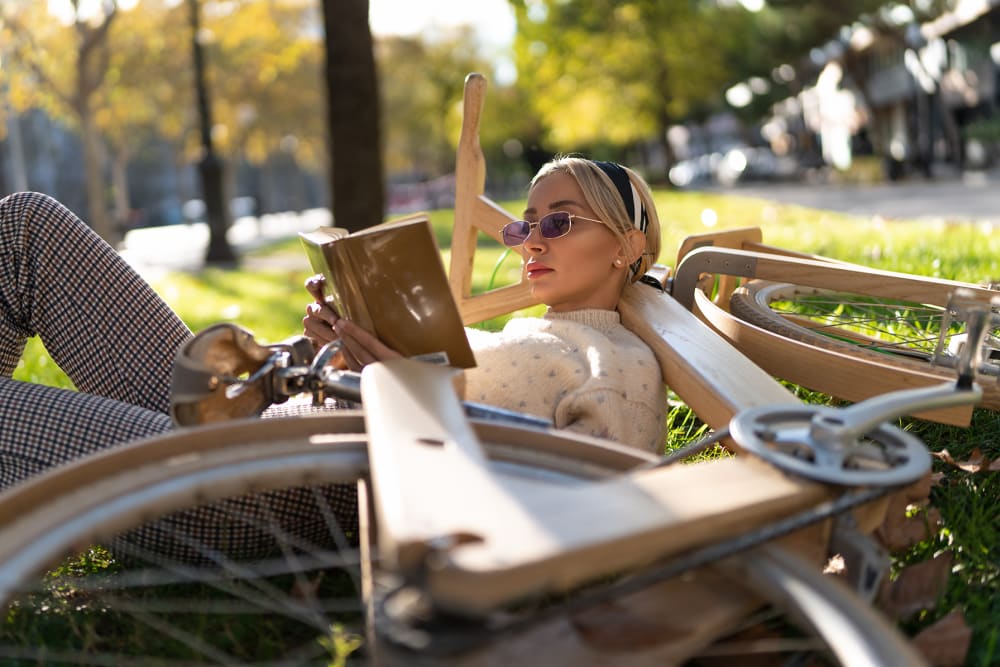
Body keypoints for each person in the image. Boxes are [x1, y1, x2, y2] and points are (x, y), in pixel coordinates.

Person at [303, 156, 668, 452]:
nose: (532, 244)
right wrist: (345, 335)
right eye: (526, 227)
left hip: (351, 458)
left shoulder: (612, 367)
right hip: (340, 422)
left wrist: (410, 393)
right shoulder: (541, 333)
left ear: (626, 247)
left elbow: (581, 501)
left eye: (559, 222)